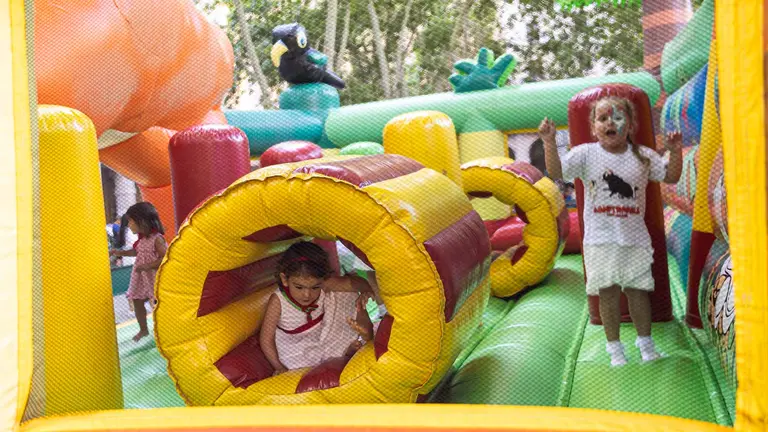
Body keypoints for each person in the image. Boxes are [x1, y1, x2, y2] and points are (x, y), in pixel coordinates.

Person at [539, 95, 683, 366]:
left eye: (617, 117)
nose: (610, 123)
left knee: (638, 291)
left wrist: (675, 152)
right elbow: (557, 170)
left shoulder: (641, 156)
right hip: (600, 238)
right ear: (594, 127)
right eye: (603, 118)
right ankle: (614, 348)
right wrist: (548, 141)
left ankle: (646, 344)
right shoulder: (586, 154)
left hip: (634, 238)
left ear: (629, 125)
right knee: (607, 292)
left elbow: (671, 176)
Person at [260, 241, 375, 375]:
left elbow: (356, 283)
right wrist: (278, 366)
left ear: (322, 280)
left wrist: (366, 290)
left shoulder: (324, 284)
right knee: (298, 365)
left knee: (350, 294)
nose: (307, 295)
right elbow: (266, 338)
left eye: (315, 287)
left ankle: (363, 337)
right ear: (285, 279)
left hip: (324, 333)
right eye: (299, 287)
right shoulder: (278, 301)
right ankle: (344, 353)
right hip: (297, 347)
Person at [110, 202, 167, 342]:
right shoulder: (141, 239)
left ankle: (164, 329)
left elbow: (165, 257)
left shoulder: (157, 239)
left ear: (142, 221)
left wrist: (148, 265)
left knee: (159, 303)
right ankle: (143, 329)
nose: (129, 225)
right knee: (136, 300)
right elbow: (137, 252)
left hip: (154, 277)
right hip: (141, 277)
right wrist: (120, 252)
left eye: (130, 221)